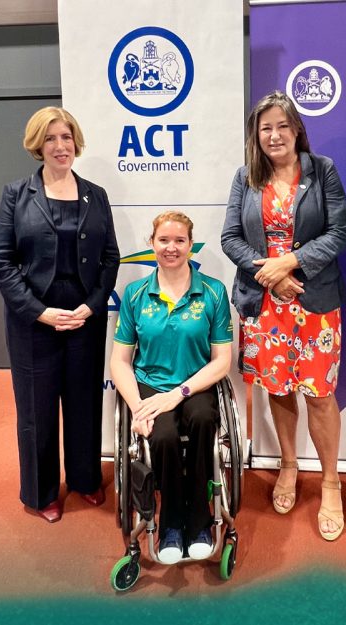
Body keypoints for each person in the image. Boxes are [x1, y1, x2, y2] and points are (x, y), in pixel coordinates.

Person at [221, 91, 346, 541]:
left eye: (282, 126)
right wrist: (270, 277)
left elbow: (338, 232)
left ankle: (330, 481)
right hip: (265, 303)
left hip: (314, 302)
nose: (274, 135)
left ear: (297, 130)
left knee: (319, 395)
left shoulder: (322, 170)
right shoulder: (245, 177)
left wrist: (291, 263)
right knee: (278, 389)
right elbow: (230, 238)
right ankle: (289, 465)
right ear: (255, 135)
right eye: (265, 128)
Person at [0, 107, 119, 523]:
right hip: (34, 322)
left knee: (84, 404)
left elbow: (110, 257)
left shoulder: (96, 194)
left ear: (75, 142)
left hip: (84, 318)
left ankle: (85, 479)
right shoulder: (16, 195)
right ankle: (41, 492)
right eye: (50, 138)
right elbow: (2, 263)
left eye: (66, 137)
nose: (60, 146)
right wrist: (40, 312)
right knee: (37, 410)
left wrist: (92, 305)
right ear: (37, 145)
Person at [110, 212, 232, 563]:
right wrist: (138, 407)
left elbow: (222, 361)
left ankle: (200, 519)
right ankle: (172, 523)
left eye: (180, 240)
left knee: (204, 420)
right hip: (149, 385)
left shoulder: (213, 291)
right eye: (163, 240)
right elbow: (119, 361)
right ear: (152, 244)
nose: (171, 247)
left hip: (195, 383)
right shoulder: (135, 294)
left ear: (191, 245)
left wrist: (177, 394)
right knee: (161, 437)